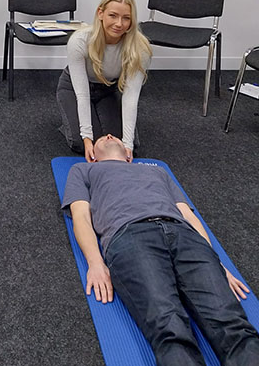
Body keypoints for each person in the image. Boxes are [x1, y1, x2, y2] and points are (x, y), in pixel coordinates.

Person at [62, 134, 259, 365]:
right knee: (169, 327)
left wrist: (217, 262)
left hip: (184, 235)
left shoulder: (157, 171)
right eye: (101, 138)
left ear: (129, 154)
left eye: (114, 135)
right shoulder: (83, 170)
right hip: (130, 236)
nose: (108, 134)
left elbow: (188, 215)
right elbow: (81, 217)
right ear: (93, 157)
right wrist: (95, 262)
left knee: (232, 324)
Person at [56, 0, 152, 162]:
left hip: (109, 89)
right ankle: (73, 123)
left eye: (126, 18)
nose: (119, 24)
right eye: (113, 15)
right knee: (83, 143)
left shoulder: (141, 48)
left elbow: (131, 97)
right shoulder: (79, 41)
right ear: (100, 13)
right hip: (74, 88)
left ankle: (94, 120)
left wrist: (128, 144)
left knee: (120, 147)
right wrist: (86, 137)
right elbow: (82, 94)